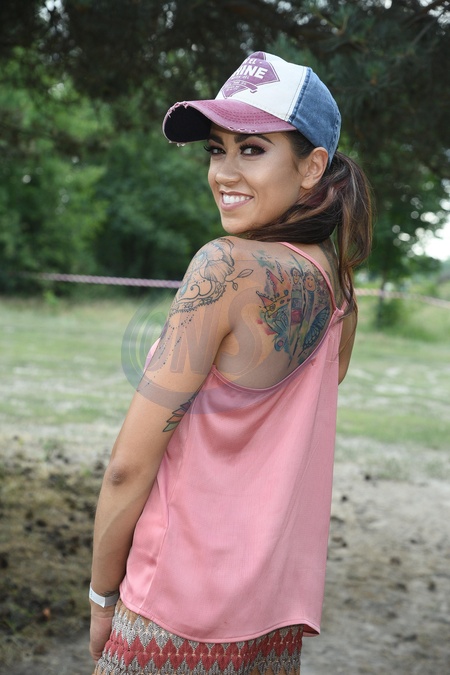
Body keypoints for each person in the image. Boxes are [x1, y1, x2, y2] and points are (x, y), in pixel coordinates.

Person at [89, 51, 372, 674]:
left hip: (171, 611)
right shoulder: (340, 295)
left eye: (252, 149)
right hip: (269, 625)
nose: (224, 171)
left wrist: (103, 596)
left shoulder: (225, 266)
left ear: (312, 166)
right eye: (216, 150)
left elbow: (128, 468)